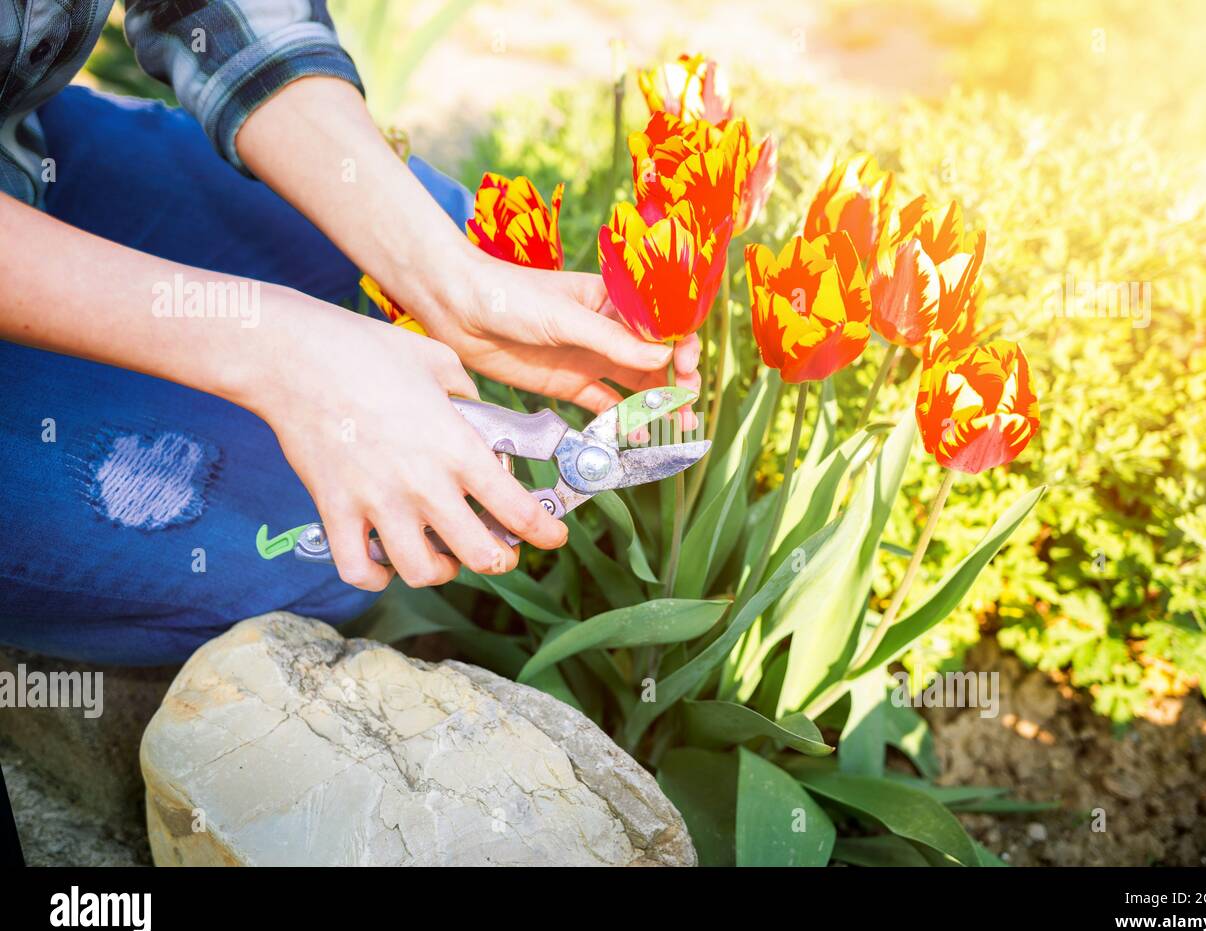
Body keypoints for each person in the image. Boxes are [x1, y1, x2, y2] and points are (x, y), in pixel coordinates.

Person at [0, 2, 700, 665]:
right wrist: (279, 353)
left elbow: (212, 12)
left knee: (454, 225)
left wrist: (443, 278)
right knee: (327, 541)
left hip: (21, 145)